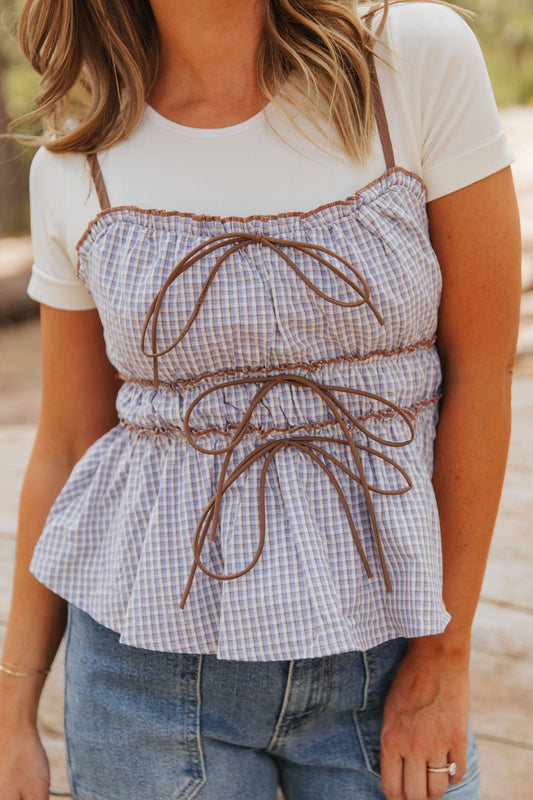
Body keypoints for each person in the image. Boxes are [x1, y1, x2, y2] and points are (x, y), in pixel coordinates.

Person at [0, 1, 521, 799]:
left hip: (387, 658)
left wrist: (441, 659)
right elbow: (71, 443)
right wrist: (12, 714)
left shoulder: (412, 62)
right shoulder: (77, 162)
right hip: (145, 682)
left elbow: (481, 376)